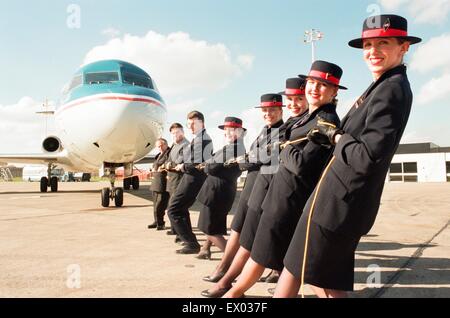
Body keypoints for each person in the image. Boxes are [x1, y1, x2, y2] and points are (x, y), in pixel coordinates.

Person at [274, 14, 420, 298]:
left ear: (404, 47)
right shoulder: (382, 85)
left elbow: (367, 157)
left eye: (383, 43)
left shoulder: (391, 90)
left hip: (338, 205)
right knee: (315, 275)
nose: (372, 52)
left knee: (309, 273)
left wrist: (335, 136)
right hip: (333, 201)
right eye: (367, 45)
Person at [222, 61, 344, 298]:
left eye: (323, 85)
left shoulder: (325, 120)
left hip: (290, 199)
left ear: (334, 91)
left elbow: (299, 165)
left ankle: (232, 293)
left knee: (263, 254)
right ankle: (233, 290)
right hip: (280, 195)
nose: (315, 89)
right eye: (312, 83)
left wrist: (282, 147)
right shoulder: (309, 117)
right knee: (289, 263)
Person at [202, 93, 290, 298]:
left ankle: (227, 276)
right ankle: (226, 271)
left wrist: (250, 159)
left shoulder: (283, 131)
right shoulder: (264, 130)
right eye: (265, 110)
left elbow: (257, 159)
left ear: (280, 111)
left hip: (264, 185)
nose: (268, 114)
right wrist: (250, 159)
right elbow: (249, 160)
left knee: (250, 234)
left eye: (272, 110)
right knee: (238, 228)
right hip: (252, 183)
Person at [196, 117, 247, 259]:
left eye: (231, 131)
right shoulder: (234, 147)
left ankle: (233, 261)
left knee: (209, 229)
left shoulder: (233, 148)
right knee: (214, 225)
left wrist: (207, 165)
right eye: (226, 130)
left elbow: (211, 167)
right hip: (221, 191)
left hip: (216, 192)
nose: (227, 133)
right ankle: (205, 250)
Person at [167, 111, 213, 254]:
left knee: (173, 209)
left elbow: (199, 162)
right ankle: (190, 242)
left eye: (194, 123)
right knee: (179, 209)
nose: (191, 127)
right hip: (190, 177)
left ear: (202, 123)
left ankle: (190, 242)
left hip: (193, 179)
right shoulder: (199, 138)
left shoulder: (203, 139)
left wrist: (184, 166)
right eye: (189, 125)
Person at [164, 123, 190, 238]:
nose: (174, 135)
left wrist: (169, 165)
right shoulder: (174, 145)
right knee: (174, 207)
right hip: (172, 181)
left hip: (179, 181)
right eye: (172, 133)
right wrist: (168, 165)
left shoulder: (186, 145)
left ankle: (182, 234)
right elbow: (167, 161)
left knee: (179, 209)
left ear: (182, 132)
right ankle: (176, 230)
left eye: (177, 132)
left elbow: (179, 162)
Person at [148, 138, 171, 230]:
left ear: (166, 145)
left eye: (161, 146)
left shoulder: (169, 153)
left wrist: (161, 167)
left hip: (163, 183)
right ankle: (156, 221)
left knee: (160, 204)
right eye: (158, 147)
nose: (160, 148)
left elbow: (168, 163)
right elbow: (156, 165)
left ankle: (161, 223)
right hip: (156, 182)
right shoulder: (159, 155)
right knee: (155, 204)